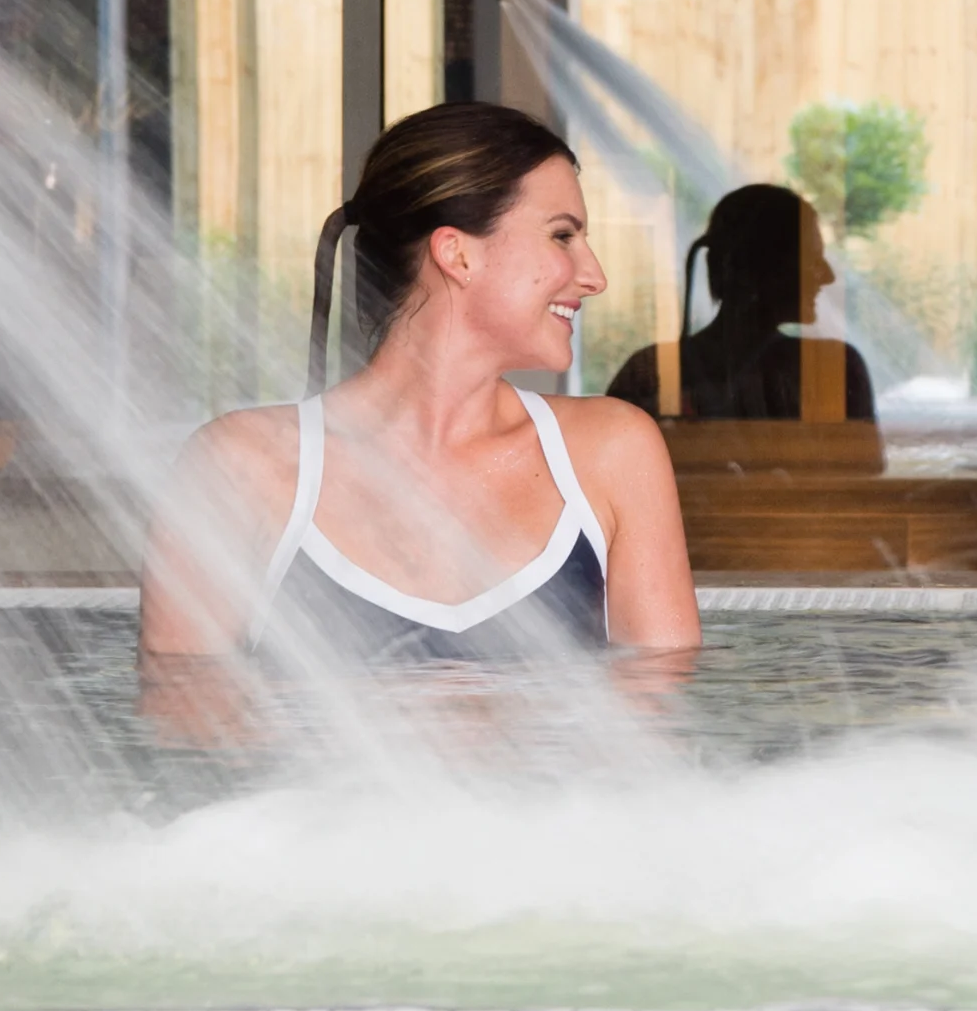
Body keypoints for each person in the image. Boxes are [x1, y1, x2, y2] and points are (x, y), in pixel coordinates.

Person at [141, 103, 697, 732]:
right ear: (457, 254)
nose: (592, 276)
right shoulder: (240, 467)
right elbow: (187, 741)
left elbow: (661, 739)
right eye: (563, 236)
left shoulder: (612, 454)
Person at [602, 182, 877, 423]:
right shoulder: (834, 369)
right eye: (811, 258)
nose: (827, 276)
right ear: (757, 268)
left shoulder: (650, 373)